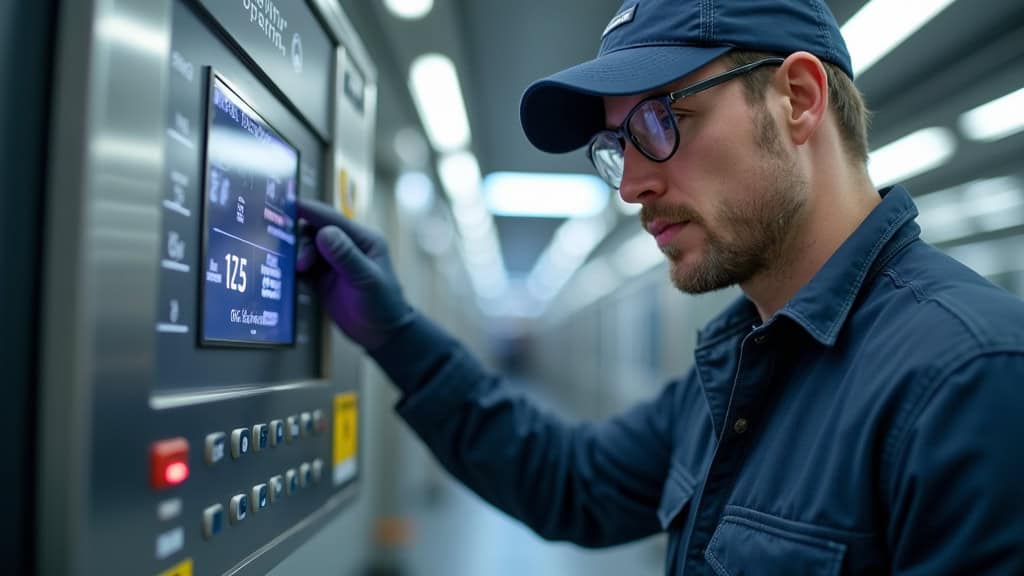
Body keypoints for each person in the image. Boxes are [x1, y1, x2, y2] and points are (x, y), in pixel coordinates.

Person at [298, 0, 1024, 573]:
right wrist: (395, 335)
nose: (634, 184)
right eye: (618, 147)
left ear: (797, 100)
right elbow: (571, 481)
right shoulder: (742, 366)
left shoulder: (971, 382)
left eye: (659, 120)